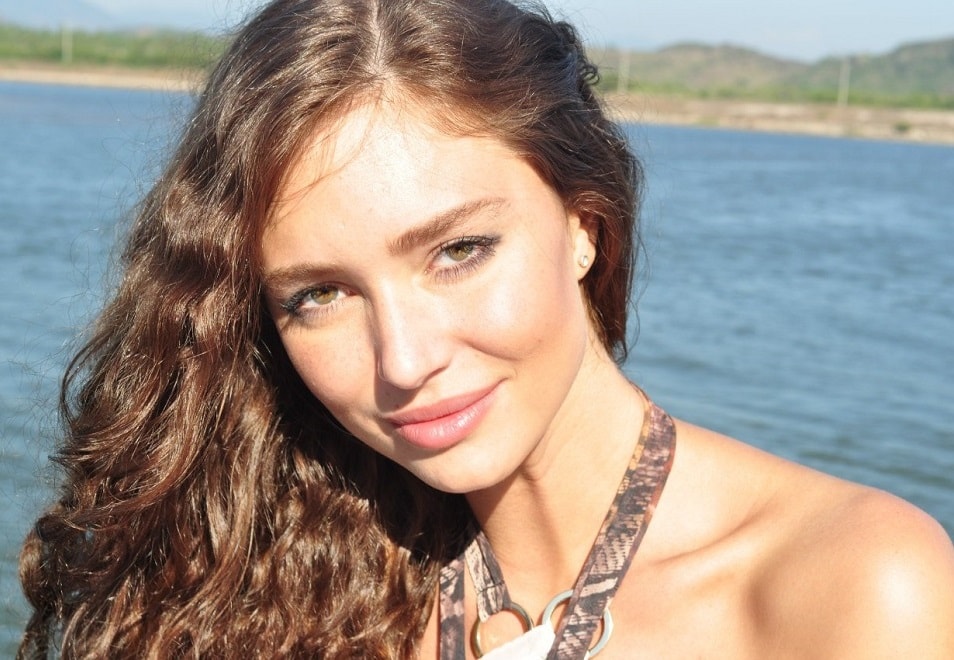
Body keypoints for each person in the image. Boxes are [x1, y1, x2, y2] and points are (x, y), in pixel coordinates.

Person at [19, 0, 954, 657]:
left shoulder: (852, 586)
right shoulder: (287, 585)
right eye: (320, 295)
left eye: (459, 250)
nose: (405, 360)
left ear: (585, 227)